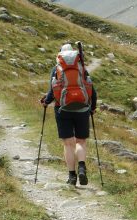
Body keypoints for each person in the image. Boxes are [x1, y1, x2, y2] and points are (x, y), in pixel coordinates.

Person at [40, 43, 97, 186]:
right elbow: (91, 88)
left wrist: (46, 102)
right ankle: (82, 166)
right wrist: (92, 107)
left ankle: (72, 176)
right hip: (83, 109)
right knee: (81, 141)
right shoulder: (81, 67)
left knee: (68, 143)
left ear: (61, 55)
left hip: (63, 109)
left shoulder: (57, 69)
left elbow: (53, 90)